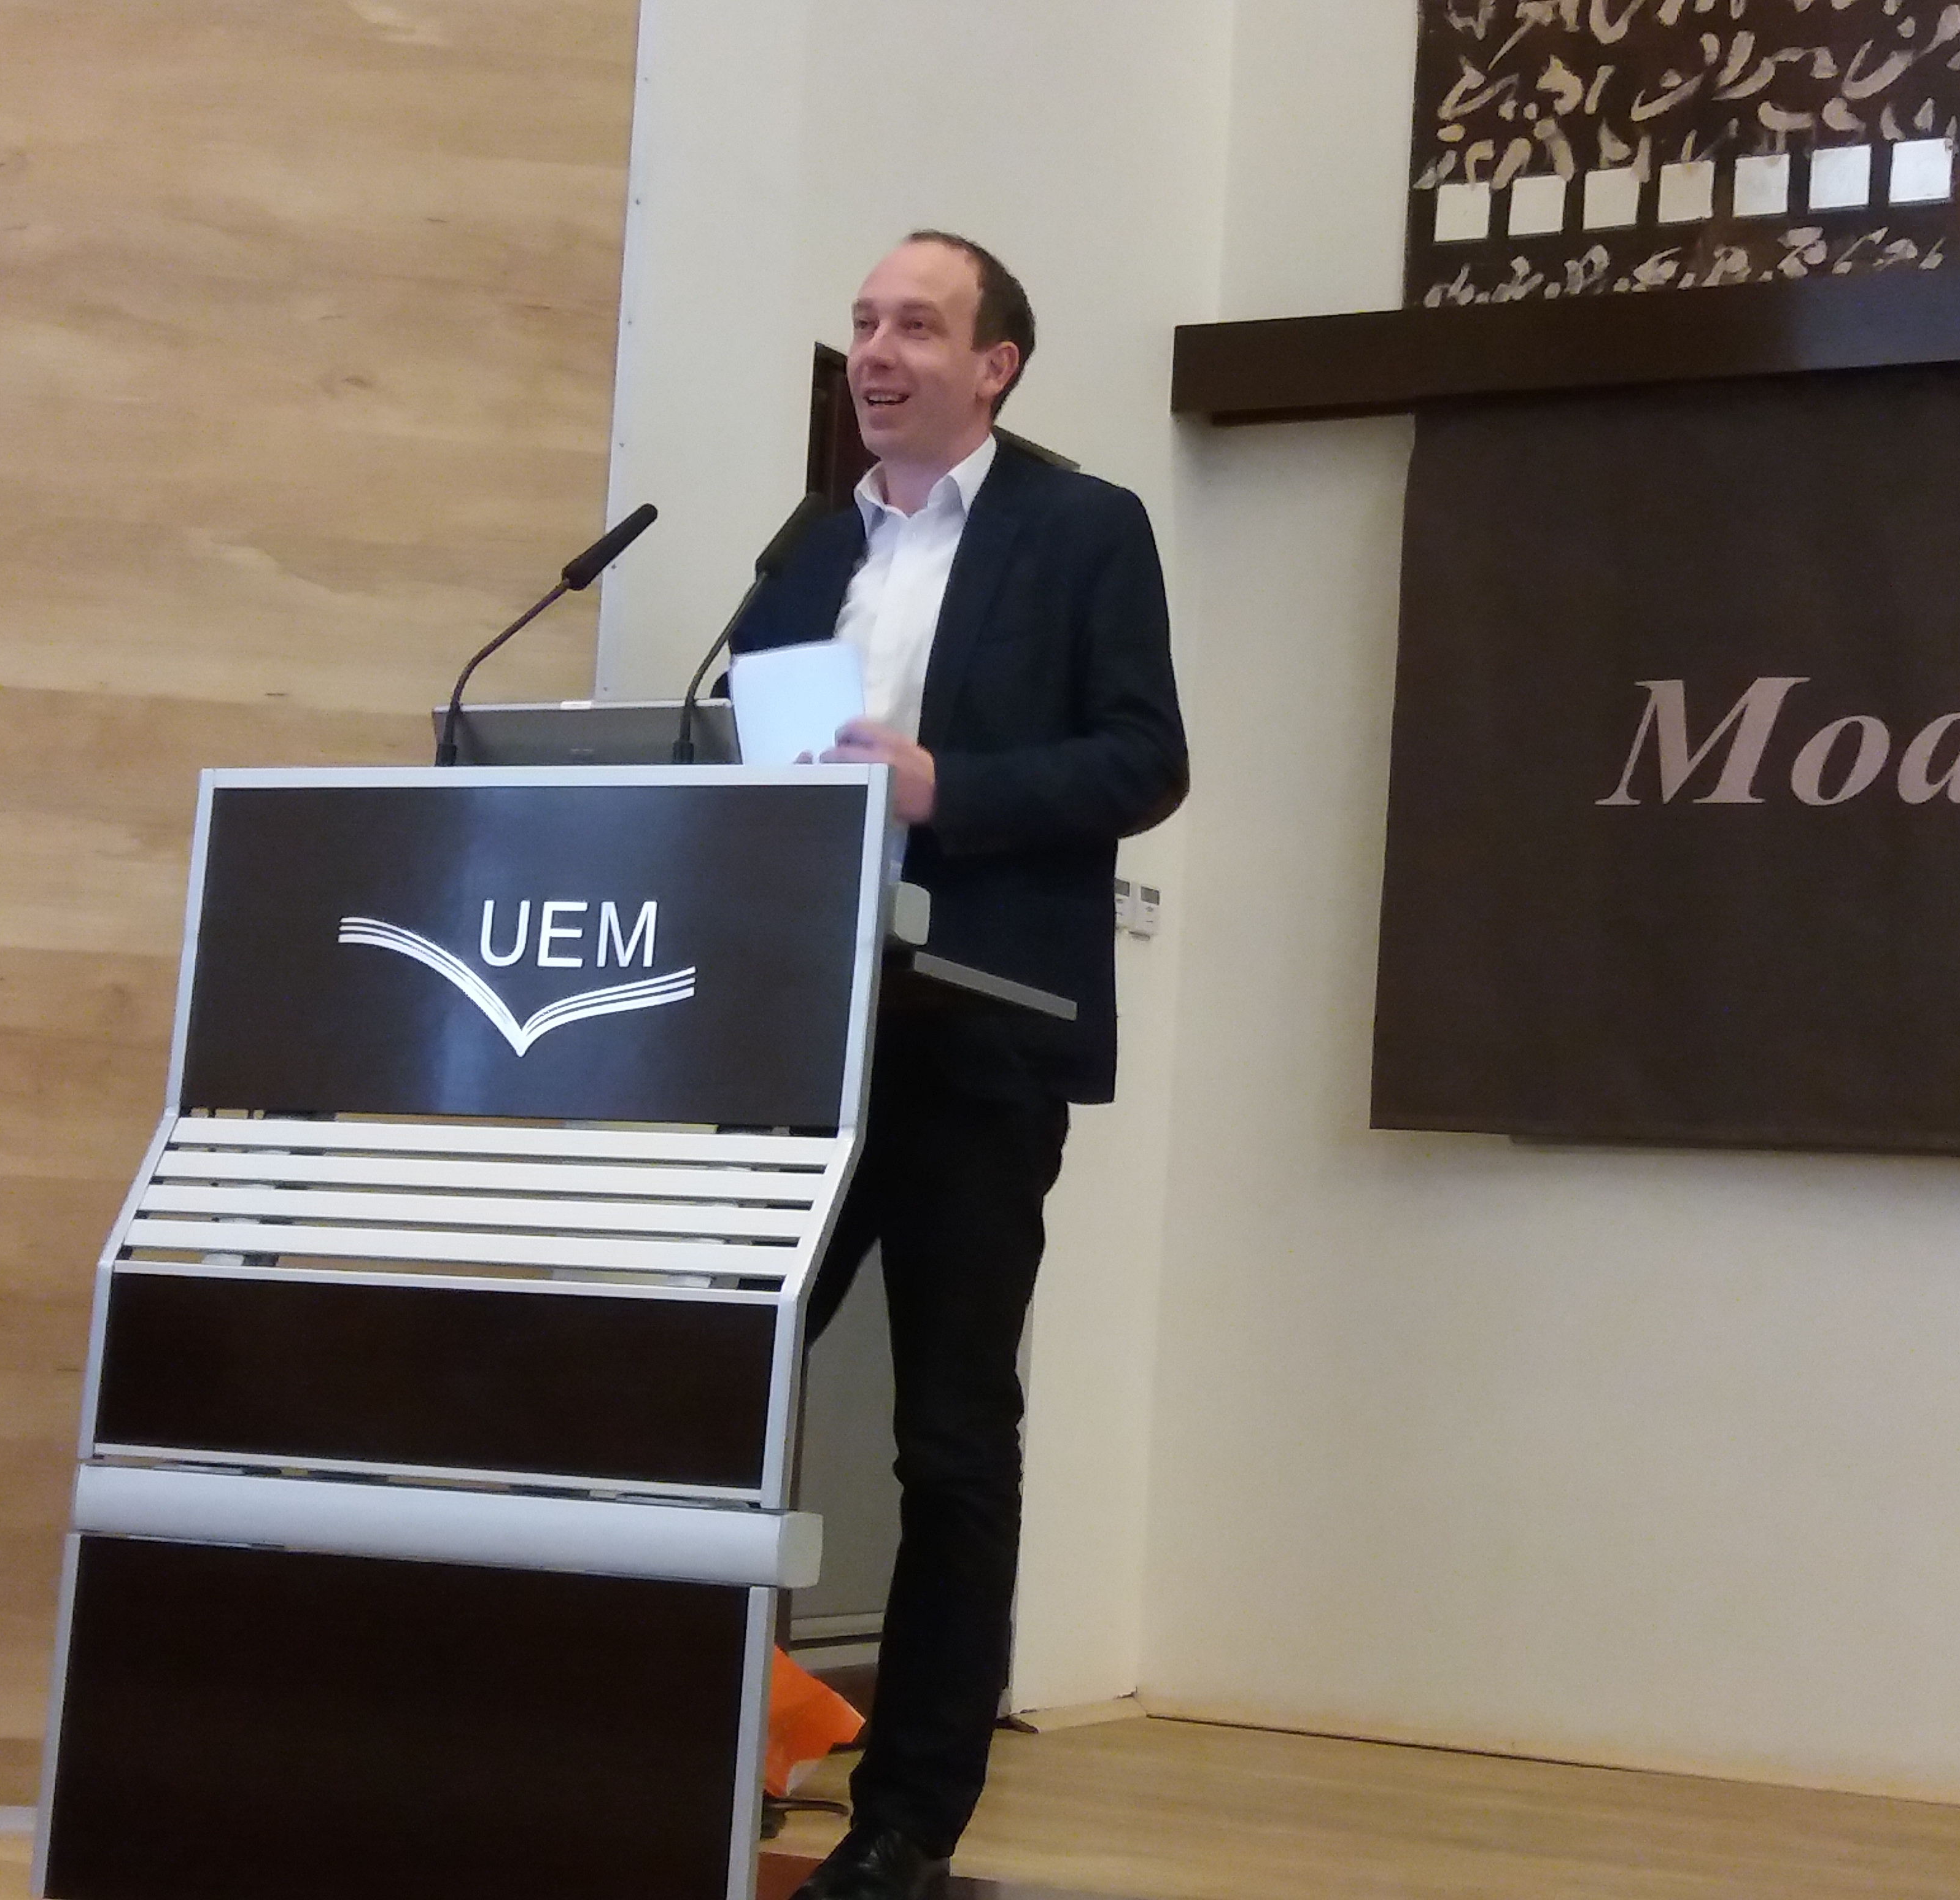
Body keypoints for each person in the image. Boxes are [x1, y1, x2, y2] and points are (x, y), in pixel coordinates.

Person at [732, 231, 1187, 1900]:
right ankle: (709, 1747)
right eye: (863, 323)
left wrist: (945, 790)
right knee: (715, 1397)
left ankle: (908, 1818)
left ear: (995, 365)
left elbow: (1145, 759)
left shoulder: (1081, 528)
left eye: (915, 326)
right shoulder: (808, 544)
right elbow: (756, 759)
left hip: (976, 1036)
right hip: (799, 1037)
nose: (876, 351)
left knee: (947, 1438)